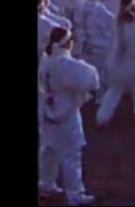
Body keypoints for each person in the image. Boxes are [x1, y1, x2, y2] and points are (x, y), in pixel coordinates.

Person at [39, 27, 101, 205]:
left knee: (49, 149)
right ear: (67, 43)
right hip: (66, 111)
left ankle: (46, 183)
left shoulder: (46, 58)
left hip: (47, 107)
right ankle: (75, 194)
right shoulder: (65, 63)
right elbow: (90, 79)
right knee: (71, 153)